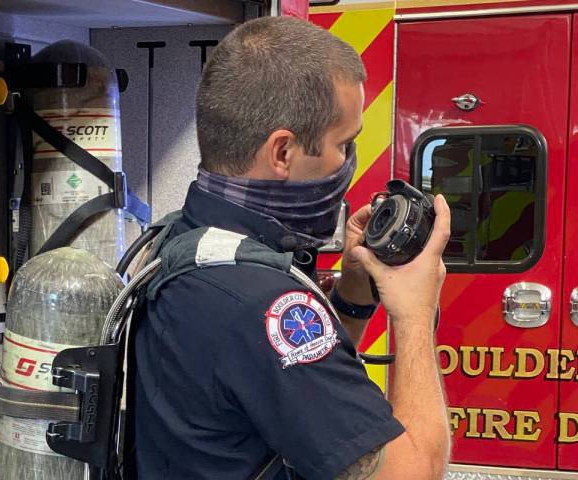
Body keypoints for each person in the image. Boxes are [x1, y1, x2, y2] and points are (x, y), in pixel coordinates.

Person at [127, 15, 452, 480]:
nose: (349, 164)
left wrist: (355, 294)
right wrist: (415, 315)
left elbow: (282, 385)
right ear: (282, 152)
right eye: (345, 144)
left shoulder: (184, 240)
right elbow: (414, 473)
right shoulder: (258, 300)